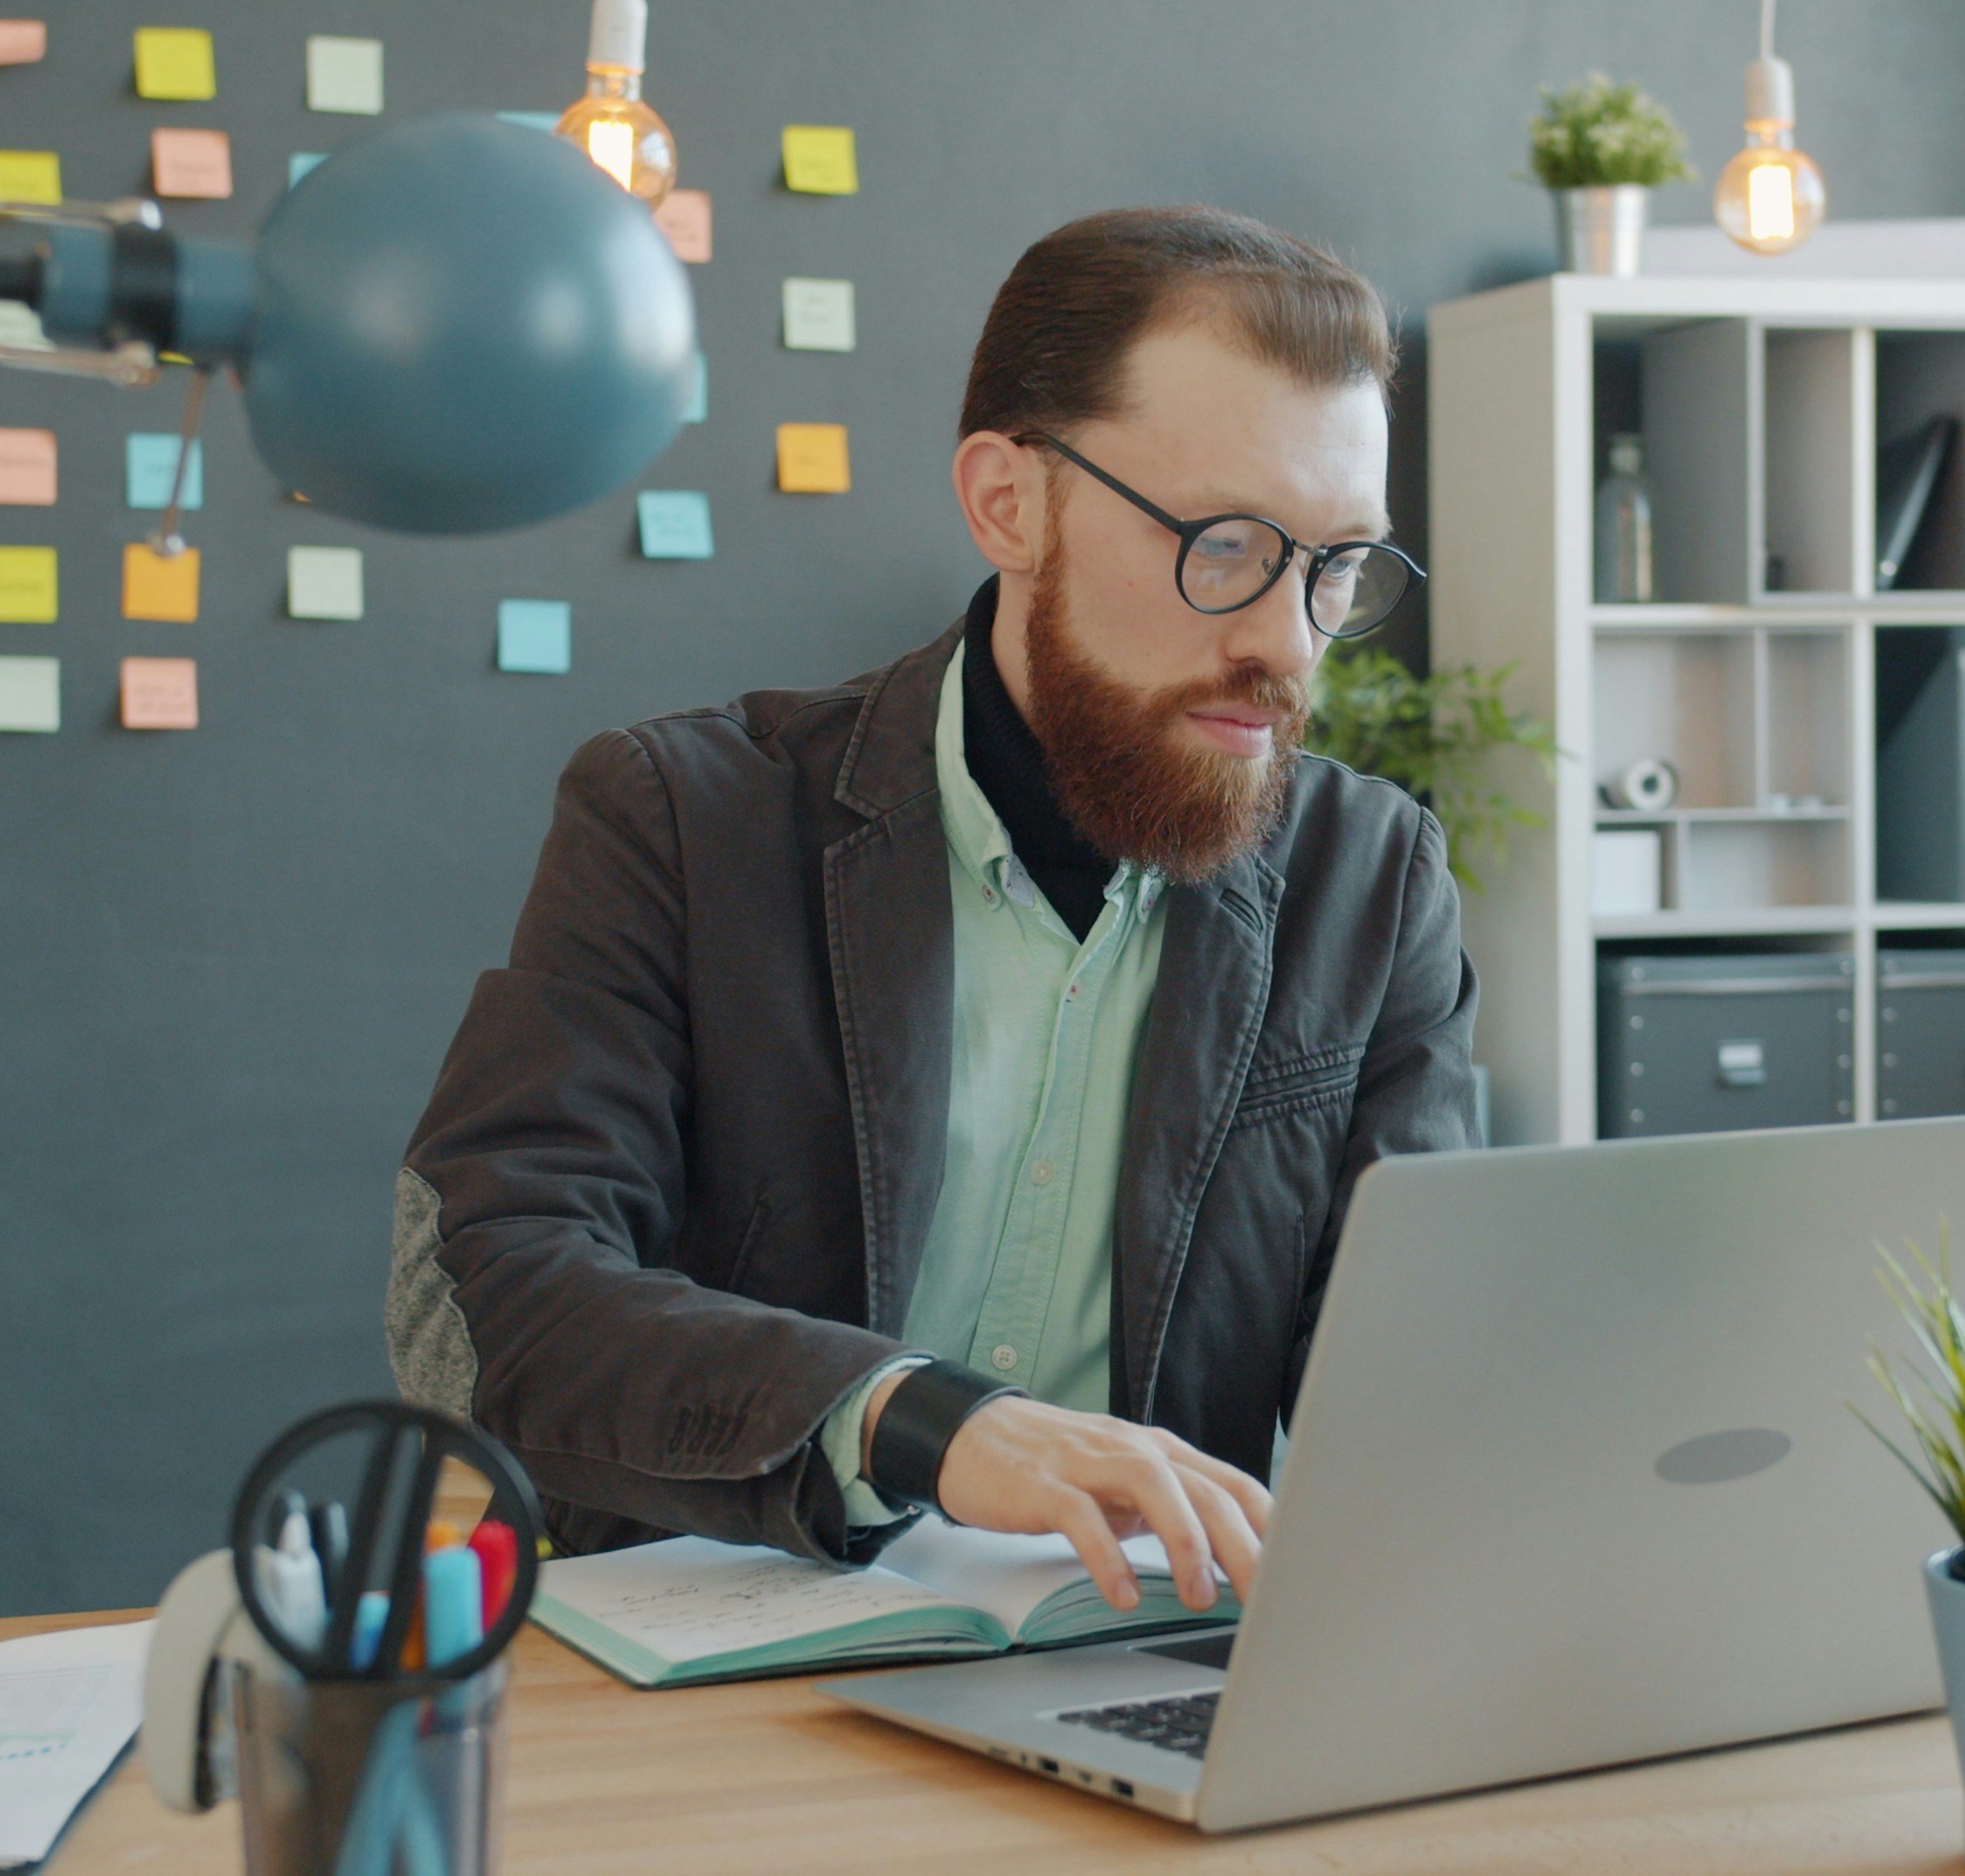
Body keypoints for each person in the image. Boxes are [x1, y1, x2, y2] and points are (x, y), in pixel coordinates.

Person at [387, 205, 1477, 1619]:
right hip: (722, 1662)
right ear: (1009, 504)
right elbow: (483, 1292)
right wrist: (923, 1424)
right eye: (1224, 546)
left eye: (1338, 567)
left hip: (1128, 1667)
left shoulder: (1372, 880)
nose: (1286, 640)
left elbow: (1414, 1379)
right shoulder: (681, 819)